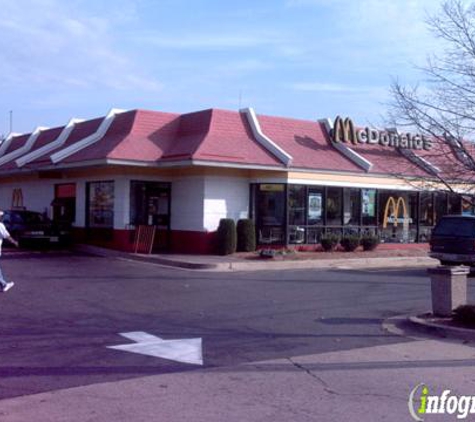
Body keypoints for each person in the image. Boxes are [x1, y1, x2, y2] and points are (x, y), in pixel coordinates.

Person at [0, 211, 19, 292]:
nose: (2, 217)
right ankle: (4, 284)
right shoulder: (0, 226)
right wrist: (14, 242)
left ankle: (3, 284)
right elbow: (7, 236)